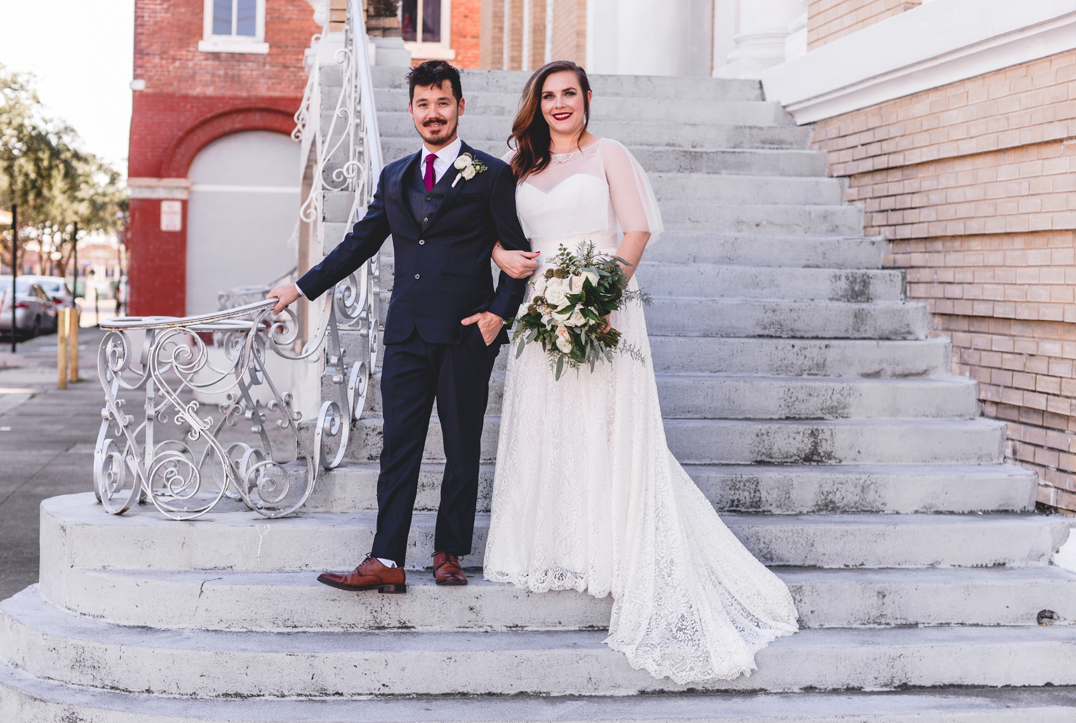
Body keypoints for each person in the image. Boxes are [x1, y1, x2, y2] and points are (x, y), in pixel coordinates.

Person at [484, 60, 799, 684]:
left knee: (605, 422)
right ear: (537, 104)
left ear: (587, 98)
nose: (558, 104)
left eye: (568, 93)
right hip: (542, 306)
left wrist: (599, 300)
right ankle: (556, 546)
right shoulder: (522, 165)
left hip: (602, 304)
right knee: (550, 424)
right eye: (547, 96)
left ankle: (610, 548)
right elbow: (499, 232)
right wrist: (501, 254)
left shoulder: (611, 155)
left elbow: (636, 230)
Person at [268, 60, 531, 593]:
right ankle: (387, 558)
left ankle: (449, 552)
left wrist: (498, 314)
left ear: (460, 106)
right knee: (399, 449)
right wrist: (302, 286)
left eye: (442, 102)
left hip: (465, 332)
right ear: (411, 110)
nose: (433, 114)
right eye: (423, 104)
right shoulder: (394, 177)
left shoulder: (492, 175)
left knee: (461, 446)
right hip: (407, 333)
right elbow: (358, 243)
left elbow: (517, 253)